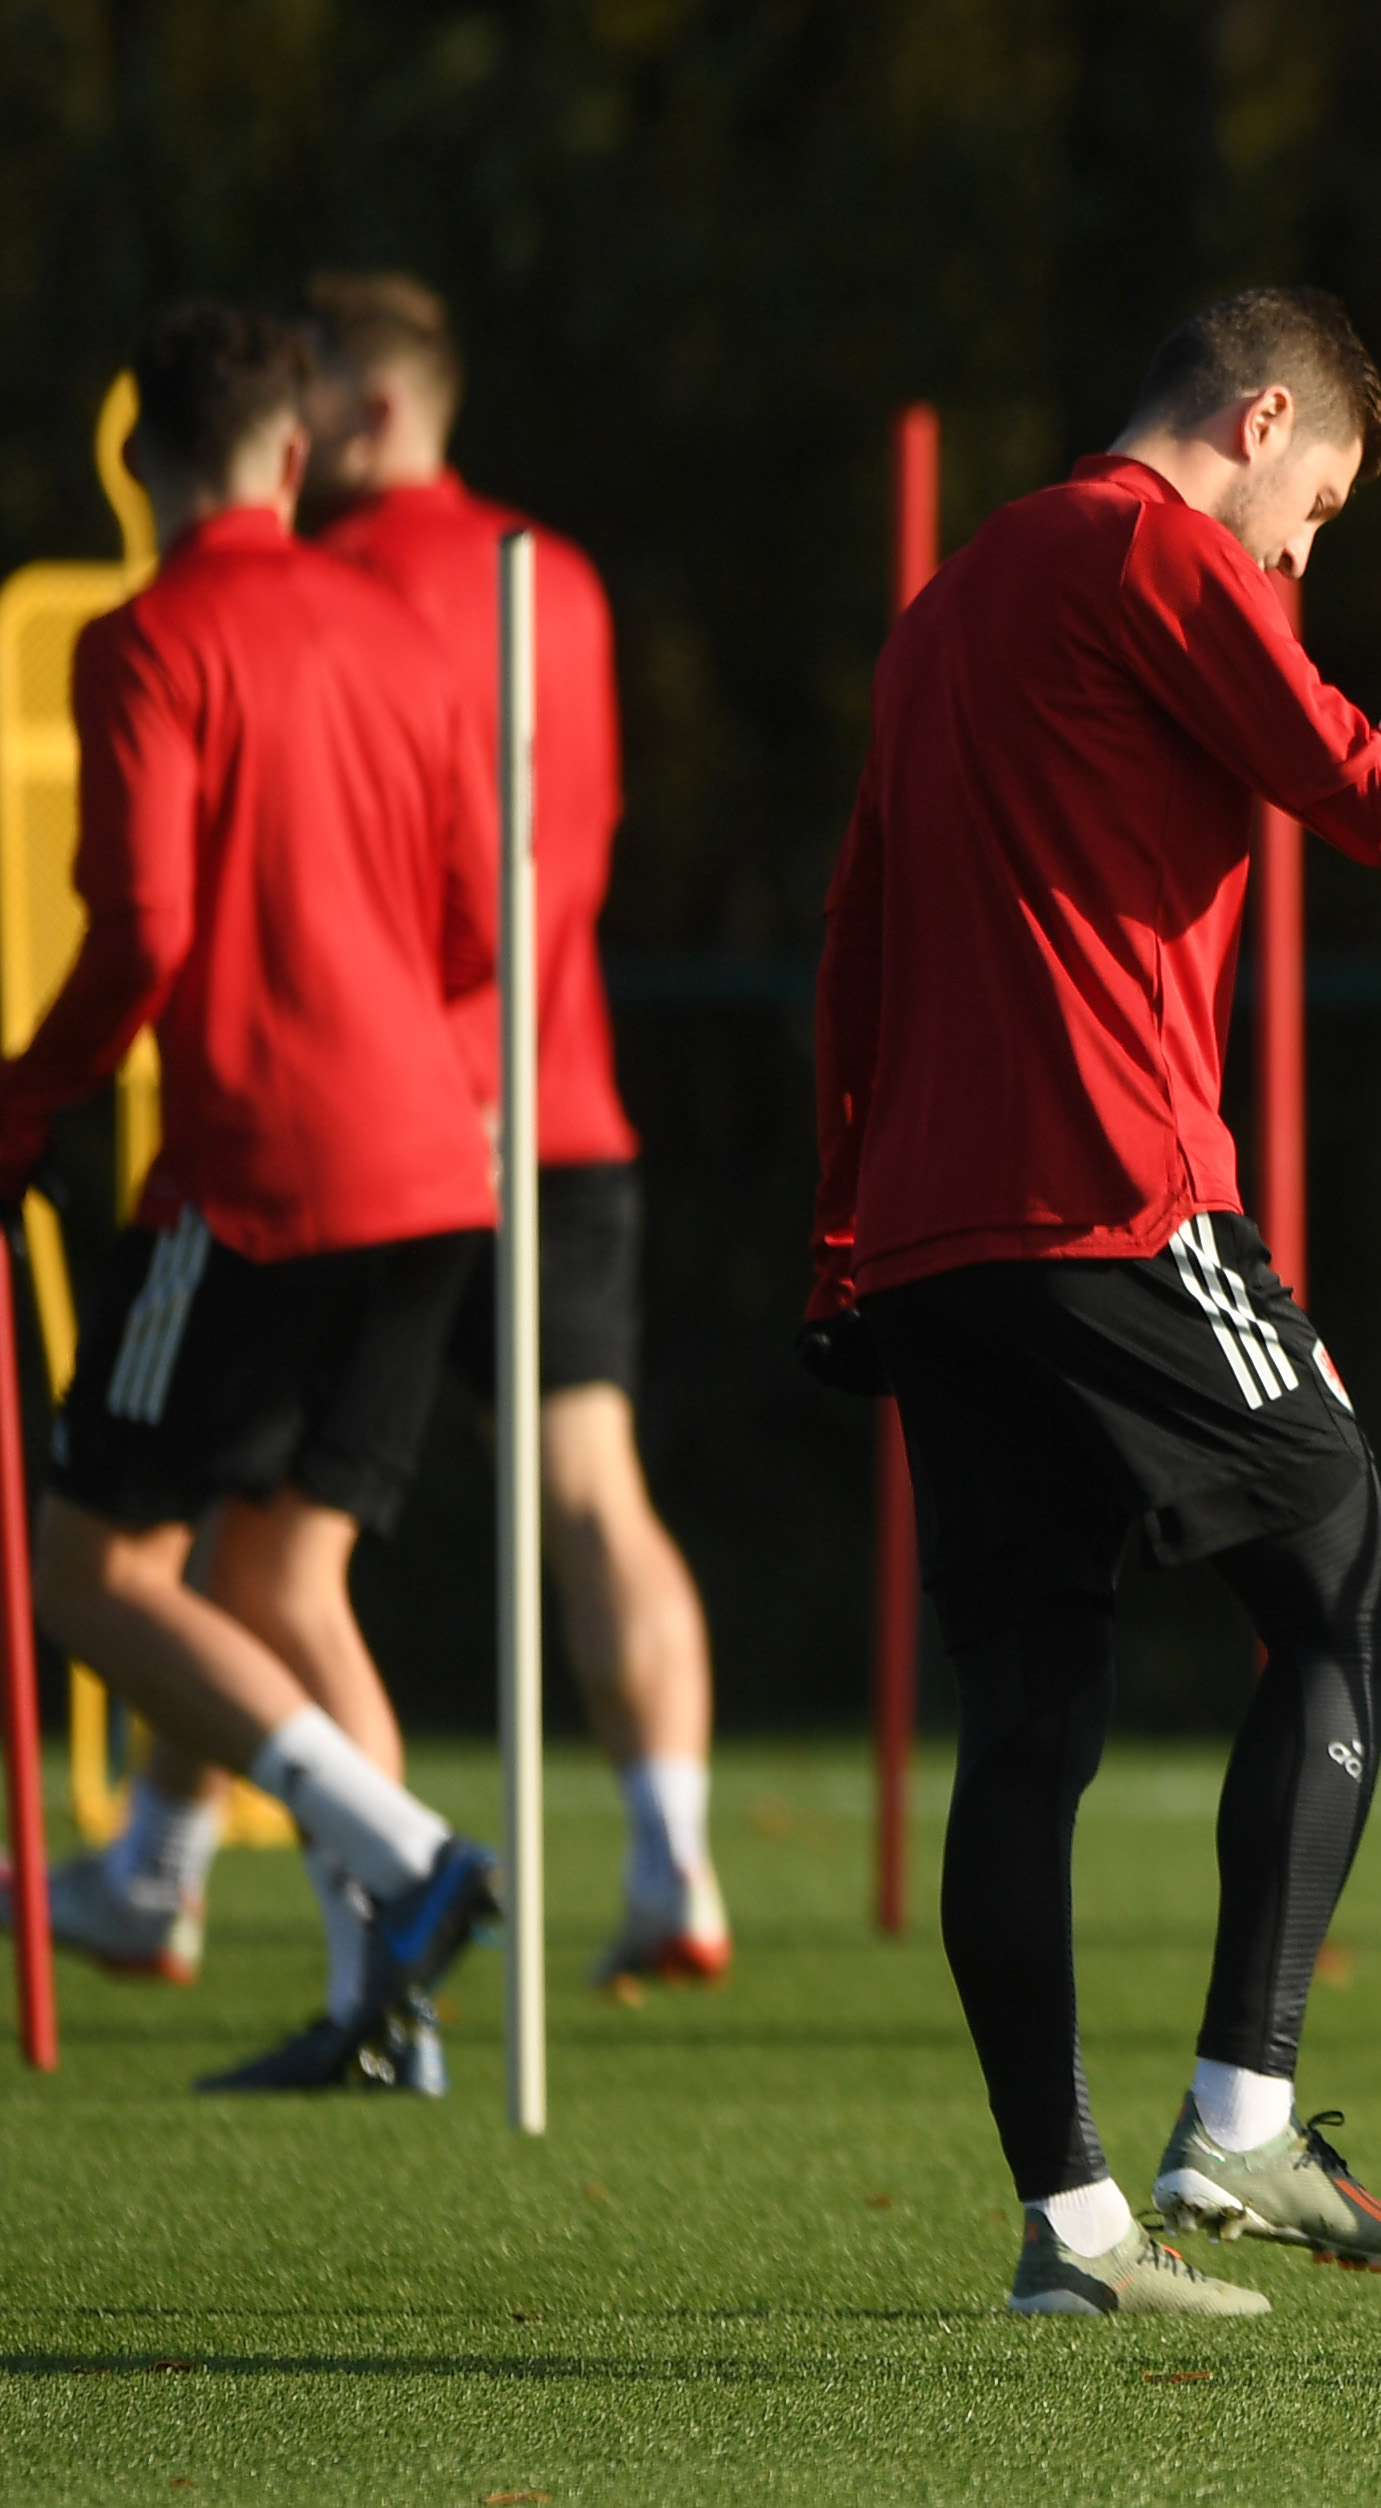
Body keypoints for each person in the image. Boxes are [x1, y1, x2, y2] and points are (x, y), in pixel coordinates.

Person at [805, 284, 1381, 2318]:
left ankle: (1069, 2229)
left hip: (932, 1240)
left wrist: (839, 1237)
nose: (1297, 561)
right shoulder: (1150, 550)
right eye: (1313, 512)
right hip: (1113, 1204)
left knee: (1028, 1720)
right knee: (1361, 1608)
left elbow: (856, 942)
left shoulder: (945, 603)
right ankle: (1238, 2117)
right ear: (1257, 423)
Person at [7, 303, 504, 2092]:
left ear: (141, 459)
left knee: (88, 1571)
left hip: (260, 1175)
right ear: (295, 455)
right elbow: (477, 919)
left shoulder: (147, 638)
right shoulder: (399, 629)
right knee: (287, 1575)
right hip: (437, 1168)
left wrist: (25, 1096)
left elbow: (141, 924)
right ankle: (387, 2016)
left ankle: (406, 1861)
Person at [288, 269, 732, 1993]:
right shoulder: (562, 577)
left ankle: (192, 1874)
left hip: (393, 1114)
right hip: (562, 1101)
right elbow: (569, 850)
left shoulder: (326, 583)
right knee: (595, 1495)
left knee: (268, 1521)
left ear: (376, 407)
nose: (284, 432)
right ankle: (674, 1860)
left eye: (306, 393)